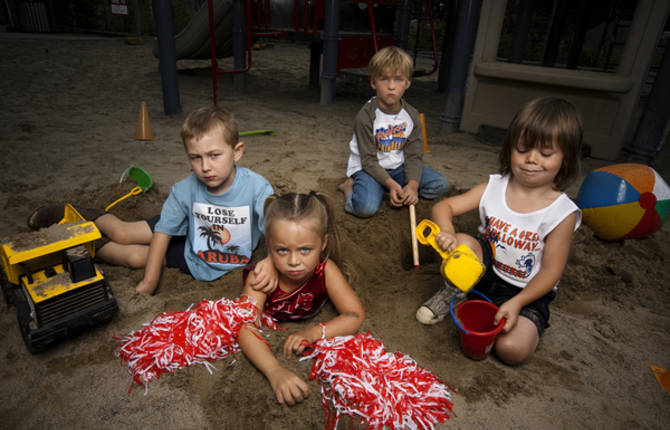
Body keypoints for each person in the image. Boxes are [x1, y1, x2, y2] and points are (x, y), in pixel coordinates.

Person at [27, 106, 276, 295]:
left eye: (214, 155)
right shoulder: (185, 189)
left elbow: (278, 229)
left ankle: (90, 246)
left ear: (237, 152)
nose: (205, 167)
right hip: (189, 230)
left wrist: (271, 262)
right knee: (123, 233)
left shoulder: (257, 188)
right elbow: (163, 232)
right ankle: (73, 212)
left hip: (198, 255)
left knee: (135, 258)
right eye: (195, 158)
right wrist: (149, 282)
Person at [416, 97, 583, 365]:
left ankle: (518, 320)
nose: (531, 159)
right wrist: (446, 231)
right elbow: (444, 206)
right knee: (462, 243)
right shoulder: (493, 188)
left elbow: (551, 273)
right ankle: (455, 293)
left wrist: (518, 304)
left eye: (546, 153)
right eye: (522, 149)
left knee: (511, 350)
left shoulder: (562, 213)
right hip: (484, 273)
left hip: (526, 291)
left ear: (565, 159)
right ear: (509, 150)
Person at [238, 192, 365, 405]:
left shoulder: (325, 269)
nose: (294, 261)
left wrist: (315, 332)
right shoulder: (261, 277)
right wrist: (274, 370)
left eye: (305, 249)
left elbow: (354, 314)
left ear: (323, 243)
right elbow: (244, 326)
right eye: (282, 250)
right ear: (269, 245)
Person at [339, 46, 448, 218]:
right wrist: (390, 184)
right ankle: (349, 189)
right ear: (373, 83)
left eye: (398, 80)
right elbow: (368, 161)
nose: (391, 86)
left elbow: (414, 156)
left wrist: (412, 185)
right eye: (384, 79)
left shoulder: (411, 116)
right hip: (369, 169)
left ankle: (390, 190)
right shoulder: (365, 116)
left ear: (407, 83)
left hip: (398, 167)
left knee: (440, 184)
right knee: (365, 208)